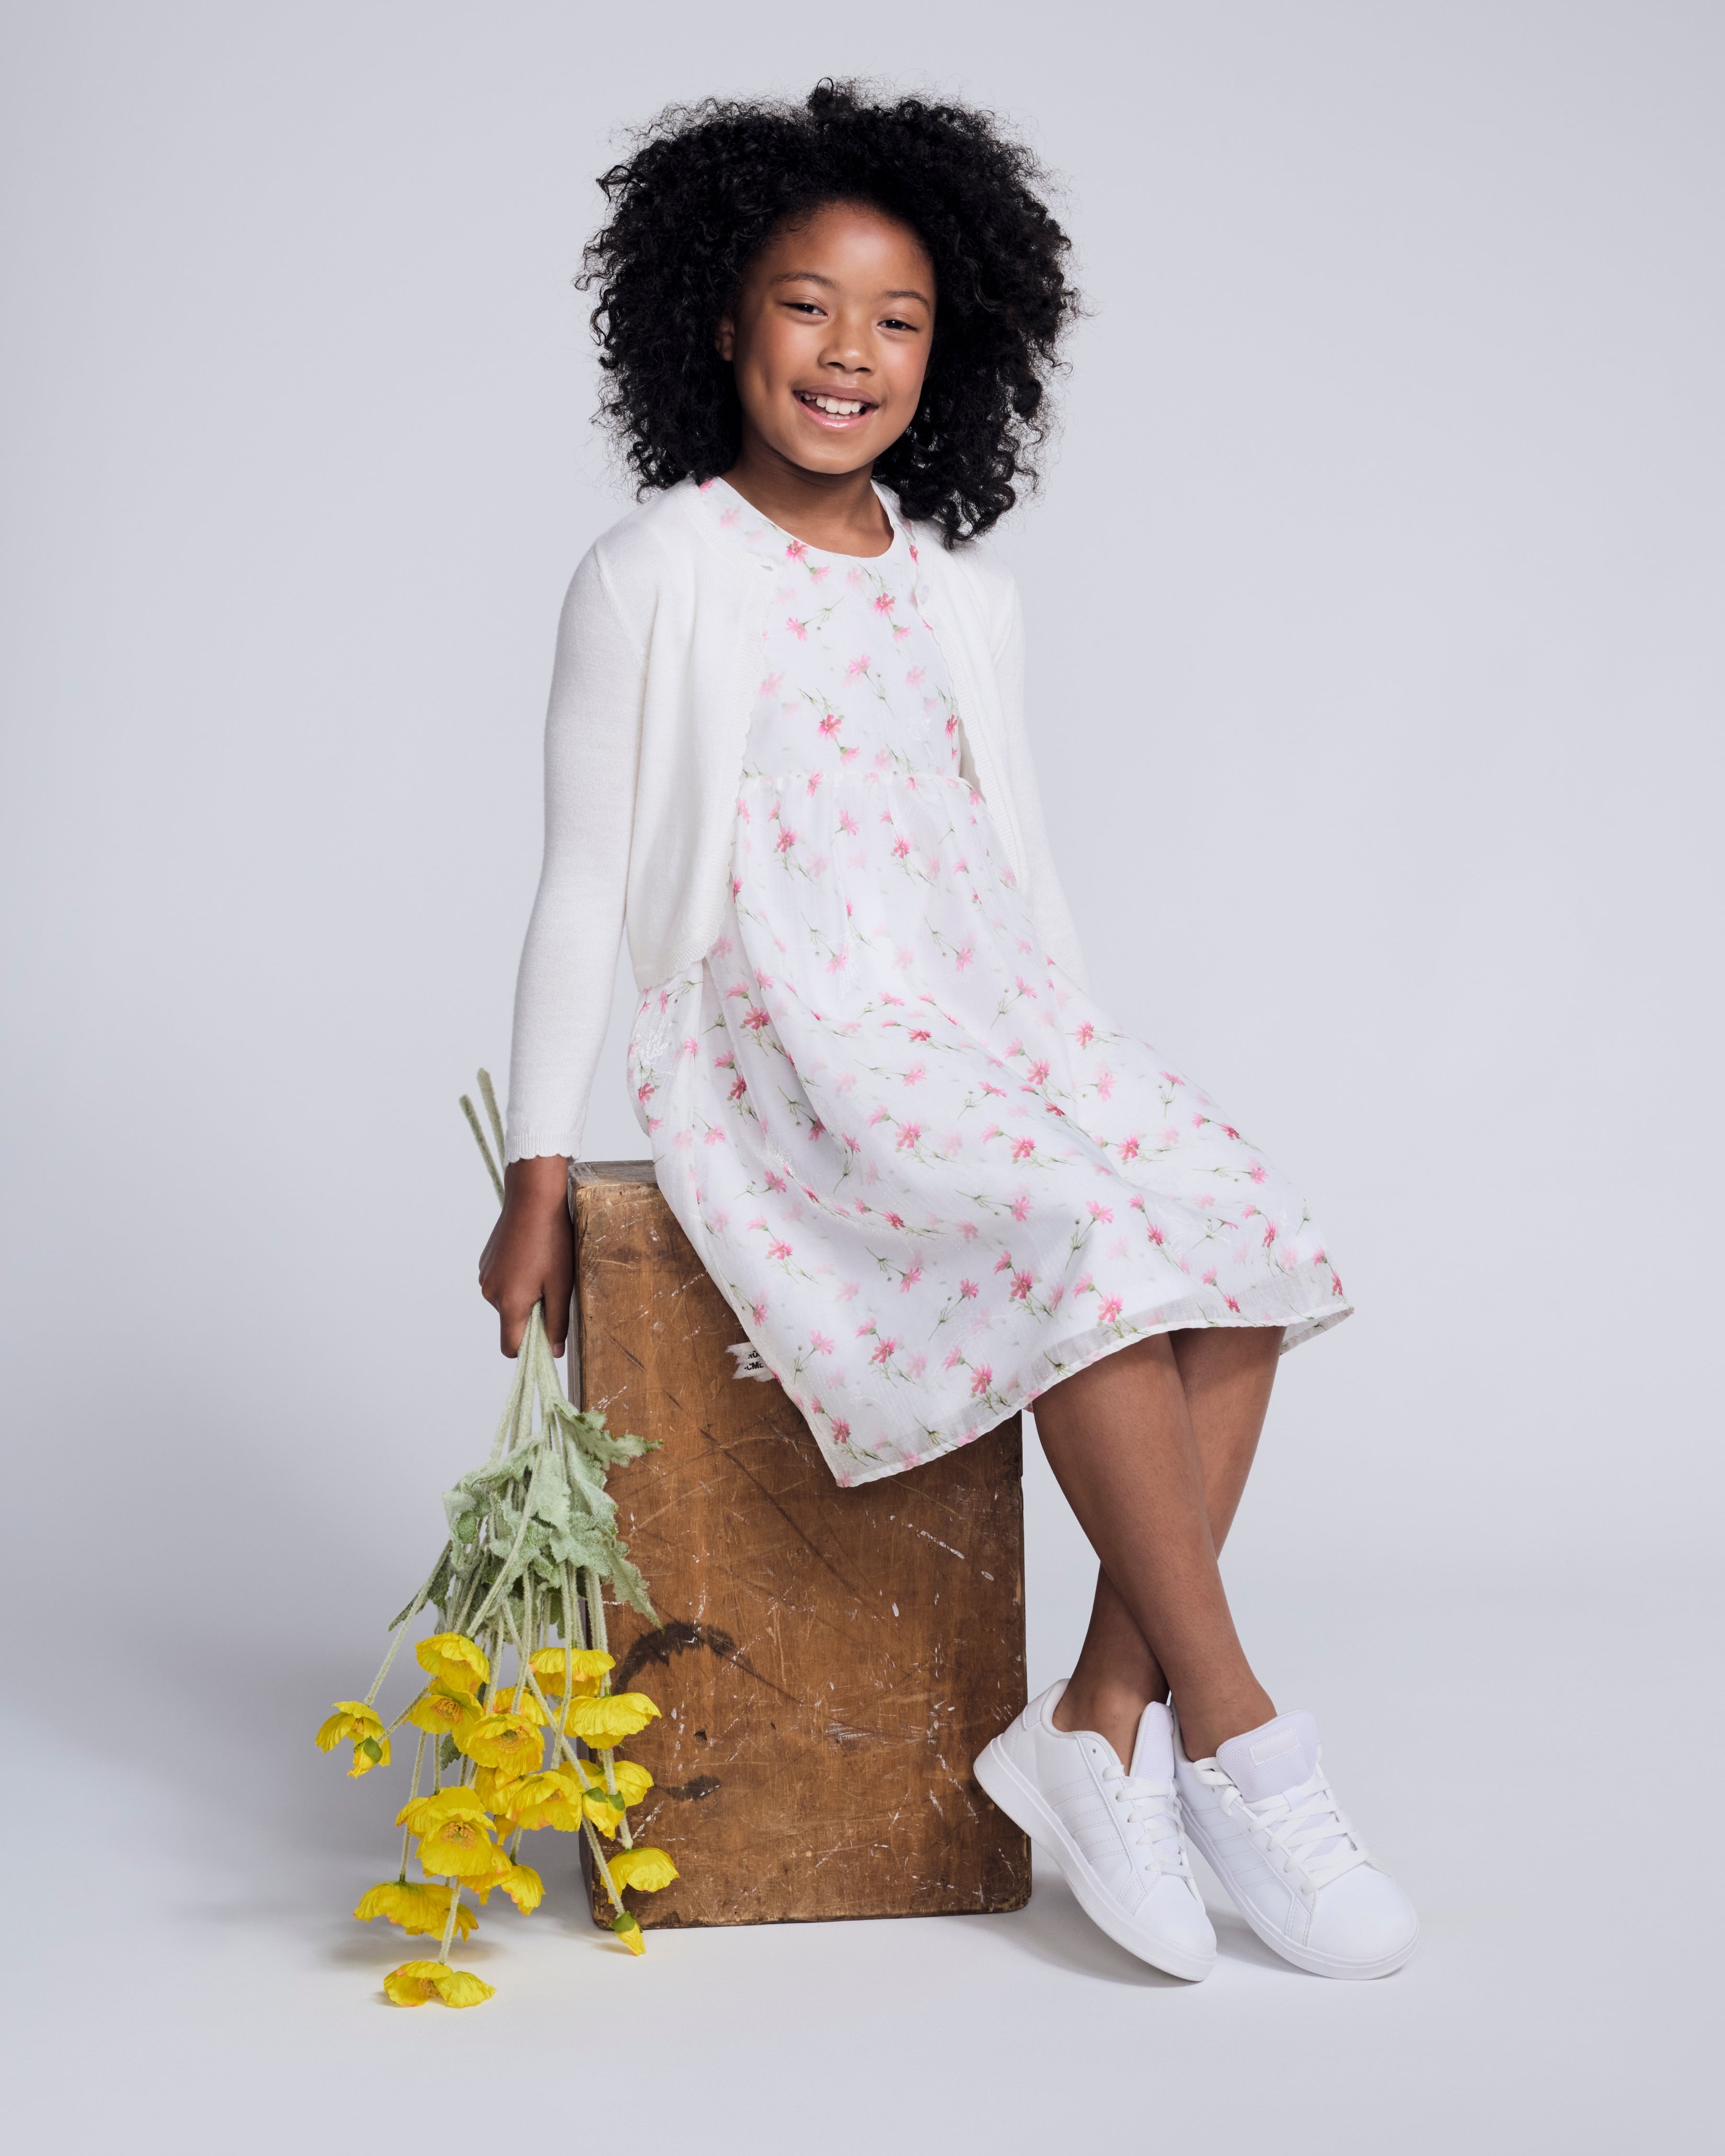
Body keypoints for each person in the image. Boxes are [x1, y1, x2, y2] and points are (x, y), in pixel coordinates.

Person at [481, 81, 1417, 1983]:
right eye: (808, 305)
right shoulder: (658, 573)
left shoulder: (965, 599)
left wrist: (1095, 1079)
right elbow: (585, 881)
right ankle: (1233, 1732)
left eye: (897, 318)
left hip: (989, 1024)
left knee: (1233, 1241)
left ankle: (1088, 1725)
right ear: (723, 323)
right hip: (794, 1044)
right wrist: (540, 1166)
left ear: (952, 351)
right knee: (1085, 1253)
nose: (850, 353)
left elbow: (1020, 867)